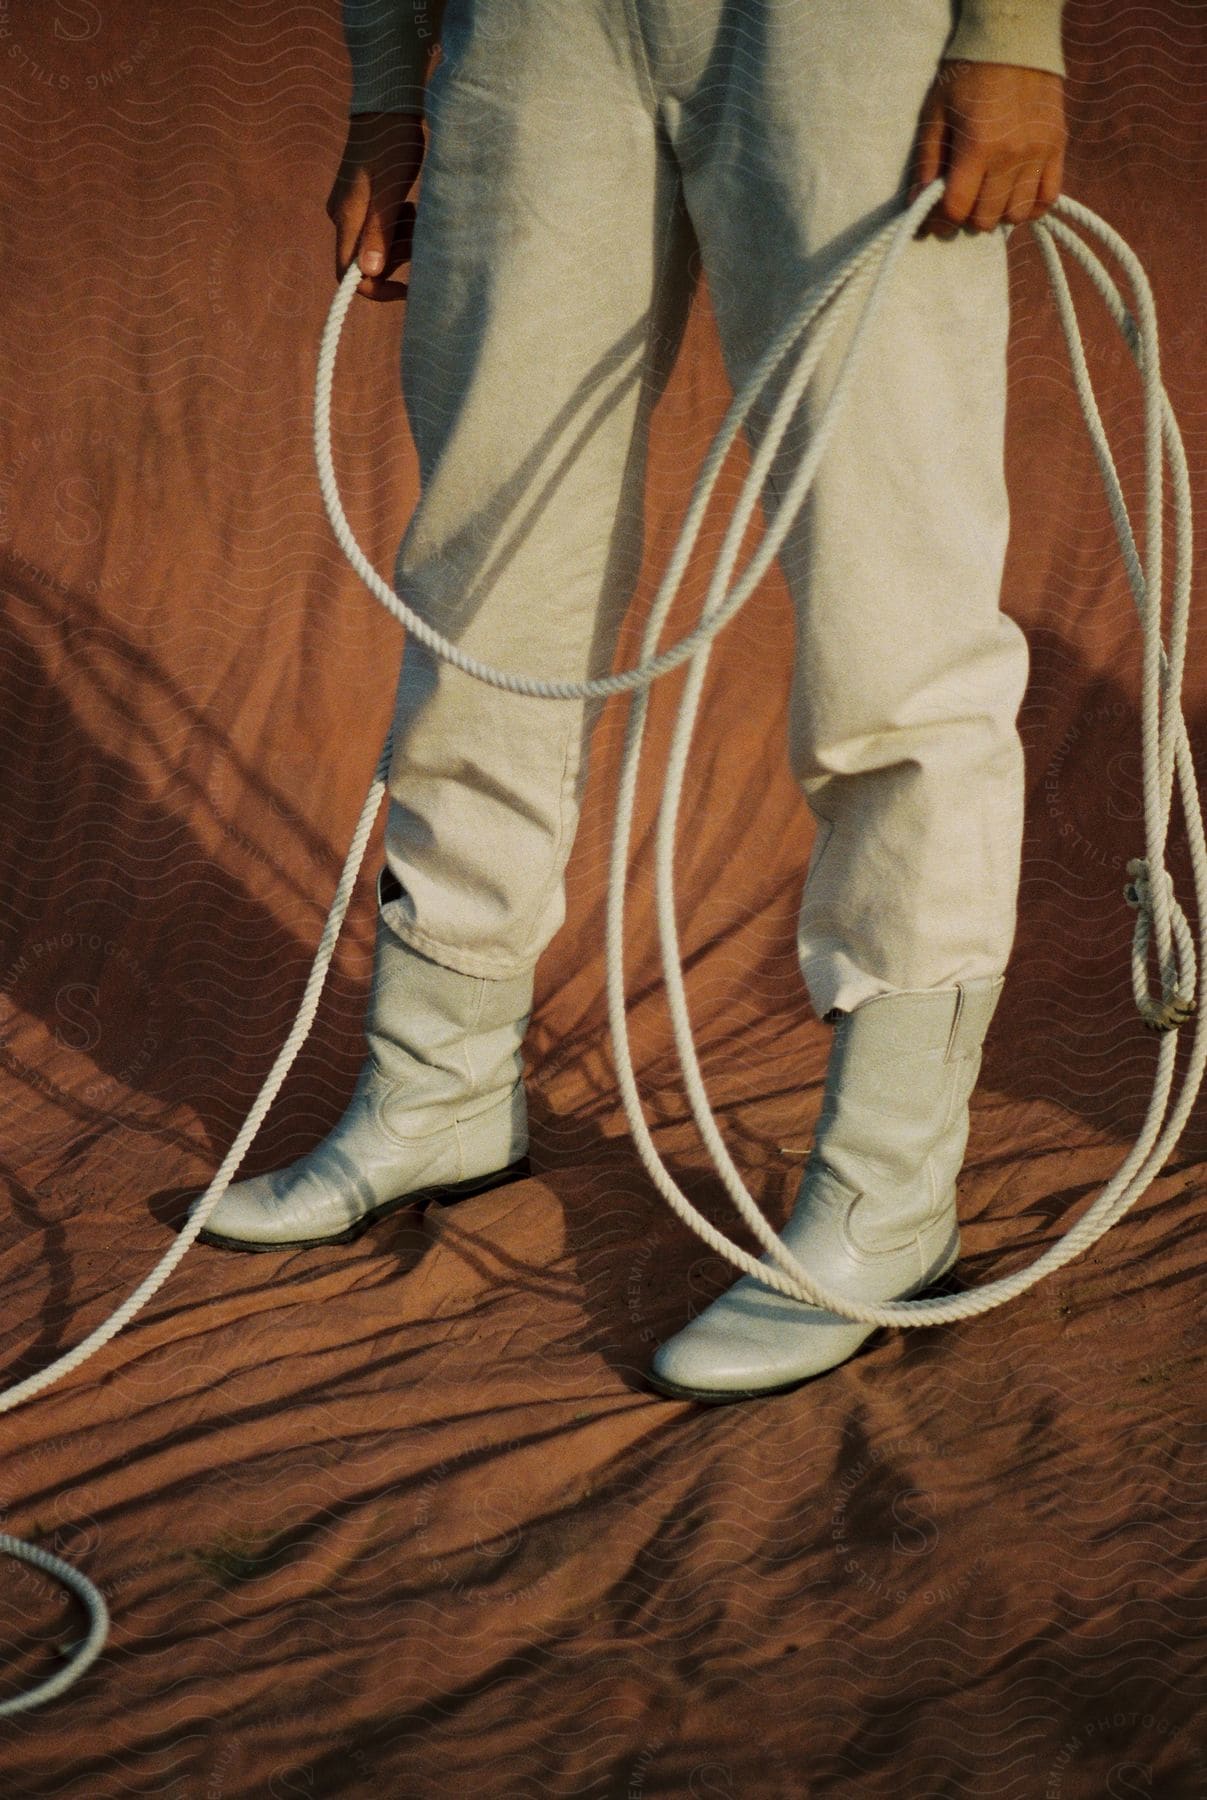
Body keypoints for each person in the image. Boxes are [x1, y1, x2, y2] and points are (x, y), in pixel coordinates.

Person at [190, 0, 1069, 1404]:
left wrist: (1016, 31)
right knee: (487, 589)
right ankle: (439, 1091)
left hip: (844, 33)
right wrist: (381, 86)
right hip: (532, 33)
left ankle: (888, 1199)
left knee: (891, 613)